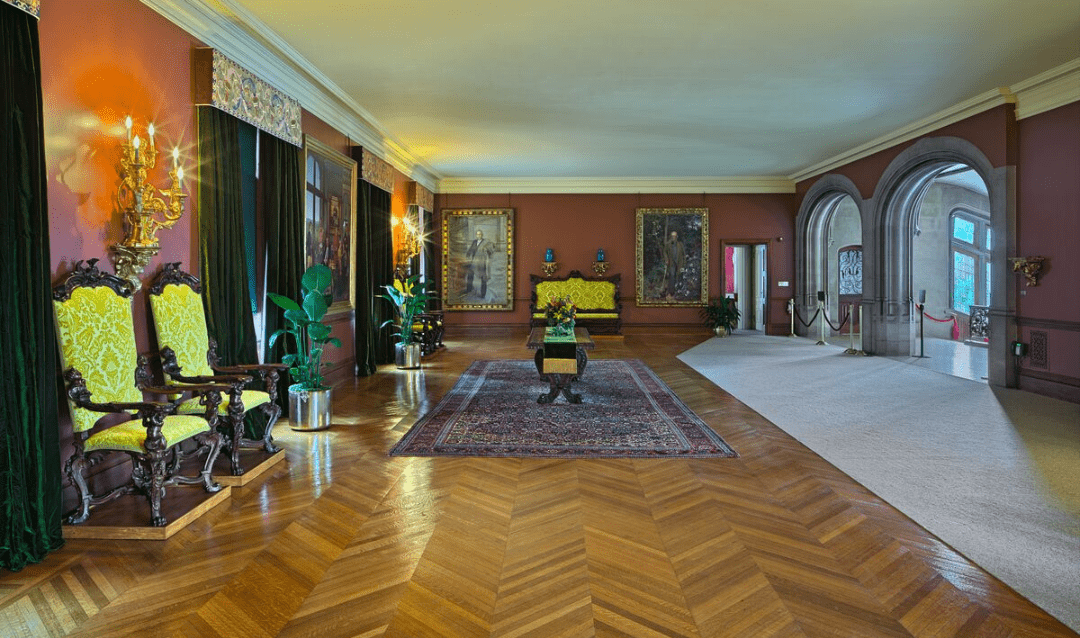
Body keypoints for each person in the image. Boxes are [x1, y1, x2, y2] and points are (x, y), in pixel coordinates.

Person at [462, 229, 497, 298]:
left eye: (480, 234)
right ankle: (469, 289)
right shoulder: (474, 242)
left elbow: (491, 251)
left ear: (482, 235)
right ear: (476, 235)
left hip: (482, 263)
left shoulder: (486, 242)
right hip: (474, 262)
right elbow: (471, 249)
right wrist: (468, 255)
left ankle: (483, 294)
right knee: (470, 275)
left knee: (483, 278)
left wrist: (488, 254)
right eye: (477, 234)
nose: (479, 235)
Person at [661, 230, 686, 299]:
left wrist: (684, 264)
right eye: (672, 236)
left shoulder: (680, 244)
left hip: (679, 264)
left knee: (679, 277)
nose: (673, 237)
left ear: (676, 237)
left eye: (675, 236)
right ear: (670, 237)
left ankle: (679, 292)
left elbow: (684, 255)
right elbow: (664, 252)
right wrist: (666, 259)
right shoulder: (668, 244)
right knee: (672, 277)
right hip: (671, 263)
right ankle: (671, 293)